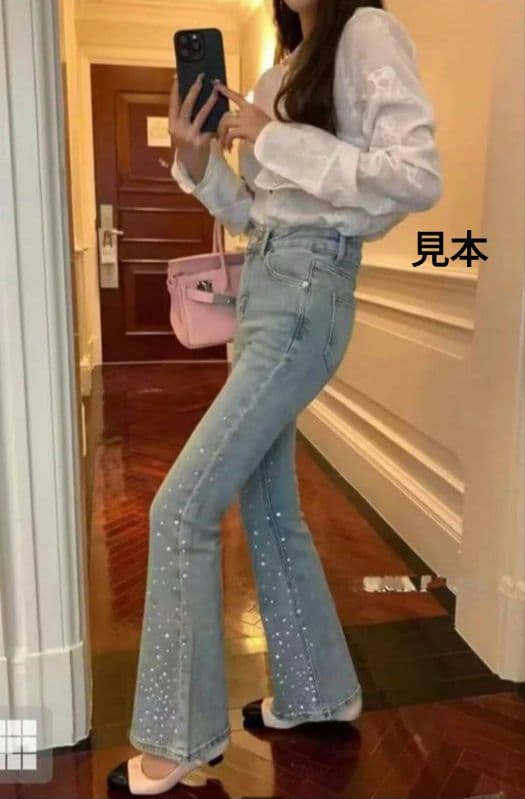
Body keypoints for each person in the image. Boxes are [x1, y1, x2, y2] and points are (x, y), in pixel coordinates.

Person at [107, 0, 443, 793]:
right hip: (265, 287)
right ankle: (319, 691)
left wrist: (272, 135)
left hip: (306, 290)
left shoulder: (363, 33)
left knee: (180, 507)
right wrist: (196, 157)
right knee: (266, 502)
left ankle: (180, 738)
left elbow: (416, 174)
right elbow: (256, 212)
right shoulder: (280, 70)